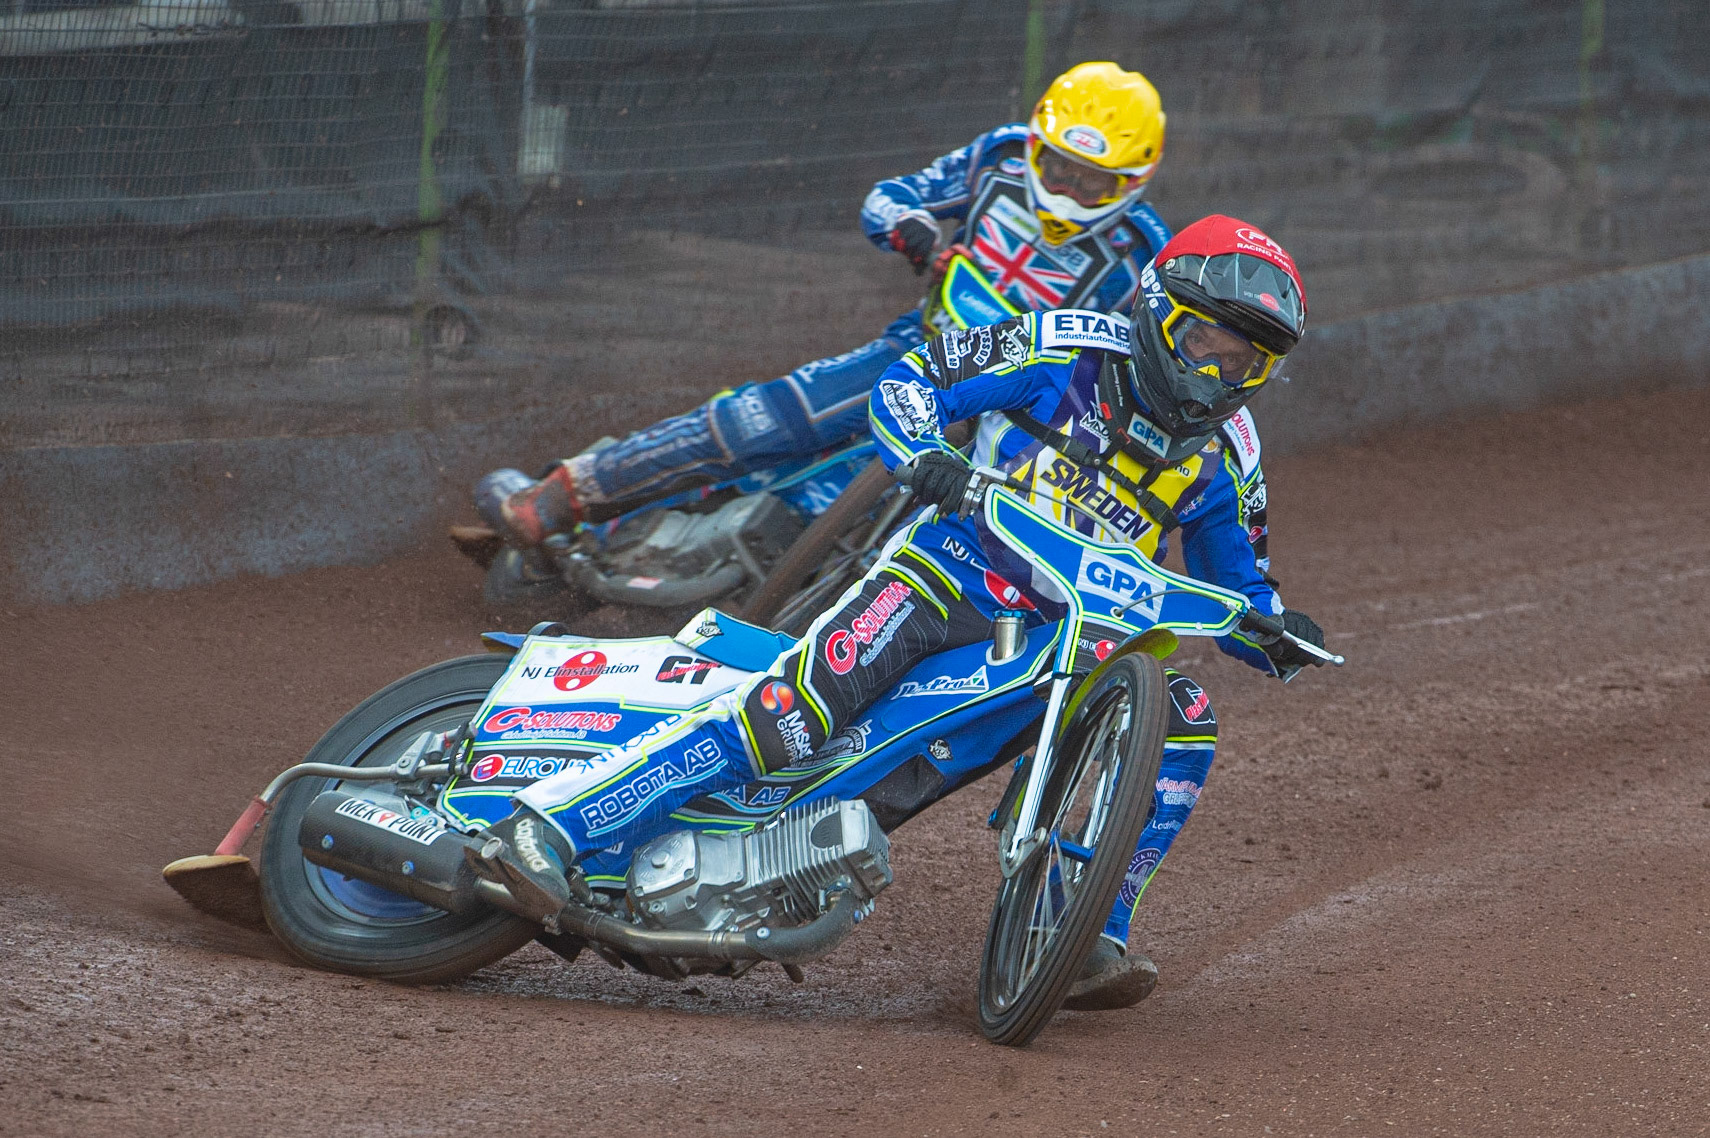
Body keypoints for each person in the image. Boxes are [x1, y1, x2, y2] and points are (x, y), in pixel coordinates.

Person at [466, 215, 1329, 1011]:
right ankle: (550, 825)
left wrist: (1279, 631)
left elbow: (1238, 590)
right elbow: (914, 381)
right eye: (1207, 340)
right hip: (948, 572)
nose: (1221, 370)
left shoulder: (1232, 458)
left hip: (1059, 645)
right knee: (792, 722)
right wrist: (927, 459)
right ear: (1155, 307)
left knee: (1175, 717)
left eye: (1247, 360)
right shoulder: (1062, 347)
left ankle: (1087, 925)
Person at [475, 61, 1175, 549]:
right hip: (923, 353)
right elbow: (887, 197)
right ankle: (557, 503)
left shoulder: (1146, 255)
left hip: (1025, 422)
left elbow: (1152, 374)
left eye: (1092, 182)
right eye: (1057, 168)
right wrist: (919, 236)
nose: (1066, 188)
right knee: (763, 420)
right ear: (1039, 145)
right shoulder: (998, 156)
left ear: (1133, 180)